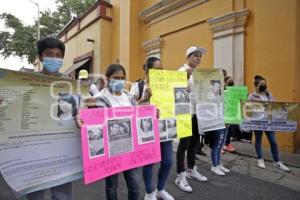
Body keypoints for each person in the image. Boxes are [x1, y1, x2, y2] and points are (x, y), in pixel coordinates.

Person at [80, 64, 140, 200]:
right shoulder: (99, 98)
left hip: (129, 148)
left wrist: (152, 113)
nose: (120, 81)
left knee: (135, 185)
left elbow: (138, 116)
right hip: (110, 151)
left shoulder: (128, 96)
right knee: (112, 186)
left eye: (122, 78)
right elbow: (94, 124)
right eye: (116, 78)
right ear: (107, 79)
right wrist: (89, 109)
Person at [26, 37, 73, 200]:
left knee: (62, 195)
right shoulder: (27, 82)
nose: (54, 58)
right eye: (49, 54)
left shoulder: (70, 83)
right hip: (34, 149)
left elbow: (76, 111)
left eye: (58, 55)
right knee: (35, 194)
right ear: (40, 57)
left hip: (62, 149)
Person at [130, 57, 174, 200]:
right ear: (147, 70)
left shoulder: (167, 85)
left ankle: (160, 189)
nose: (160, 72)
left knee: (168, 161)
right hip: (147, 129)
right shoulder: (138, 86)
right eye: (156, 69)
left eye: (161, 68)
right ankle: (149, 192)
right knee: (149, 162)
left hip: (165, 128)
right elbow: (129, 108)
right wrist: (143, 99)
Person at [175, 46, 208, 193]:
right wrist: (184, 79)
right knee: (183, 144)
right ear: (187, 57)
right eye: (195, 55)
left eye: (200, 56)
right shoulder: (181, 72)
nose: (199, 58)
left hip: (196, 113)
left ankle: (190, 169)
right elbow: (174, 91)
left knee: (194, 142)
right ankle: (180, 174)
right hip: (184, 113)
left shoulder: (199, 74)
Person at [248, 75, 290, 171]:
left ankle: (277, 161)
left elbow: (274, 105)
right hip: (257, 122)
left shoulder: (268, 94)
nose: (264, 85)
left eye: (265, 84)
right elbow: (247, 109)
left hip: (269, 122)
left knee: (273, 142)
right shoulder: (252, 96)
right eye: (262, 84)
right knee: (258, 141)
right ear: (256, 86)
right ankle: (260, 159)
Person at [223, 76, 236, 153]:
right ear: (225, 82)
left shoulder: (234, 90)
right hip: (223, 112)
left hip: (231, 112)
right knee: (222, 129)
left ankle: (227, 143)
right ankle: (221, 145)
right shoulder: (222, 90)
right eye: (229, 81)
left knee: (229, 129)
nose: (231, 82)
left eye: (232, 80)